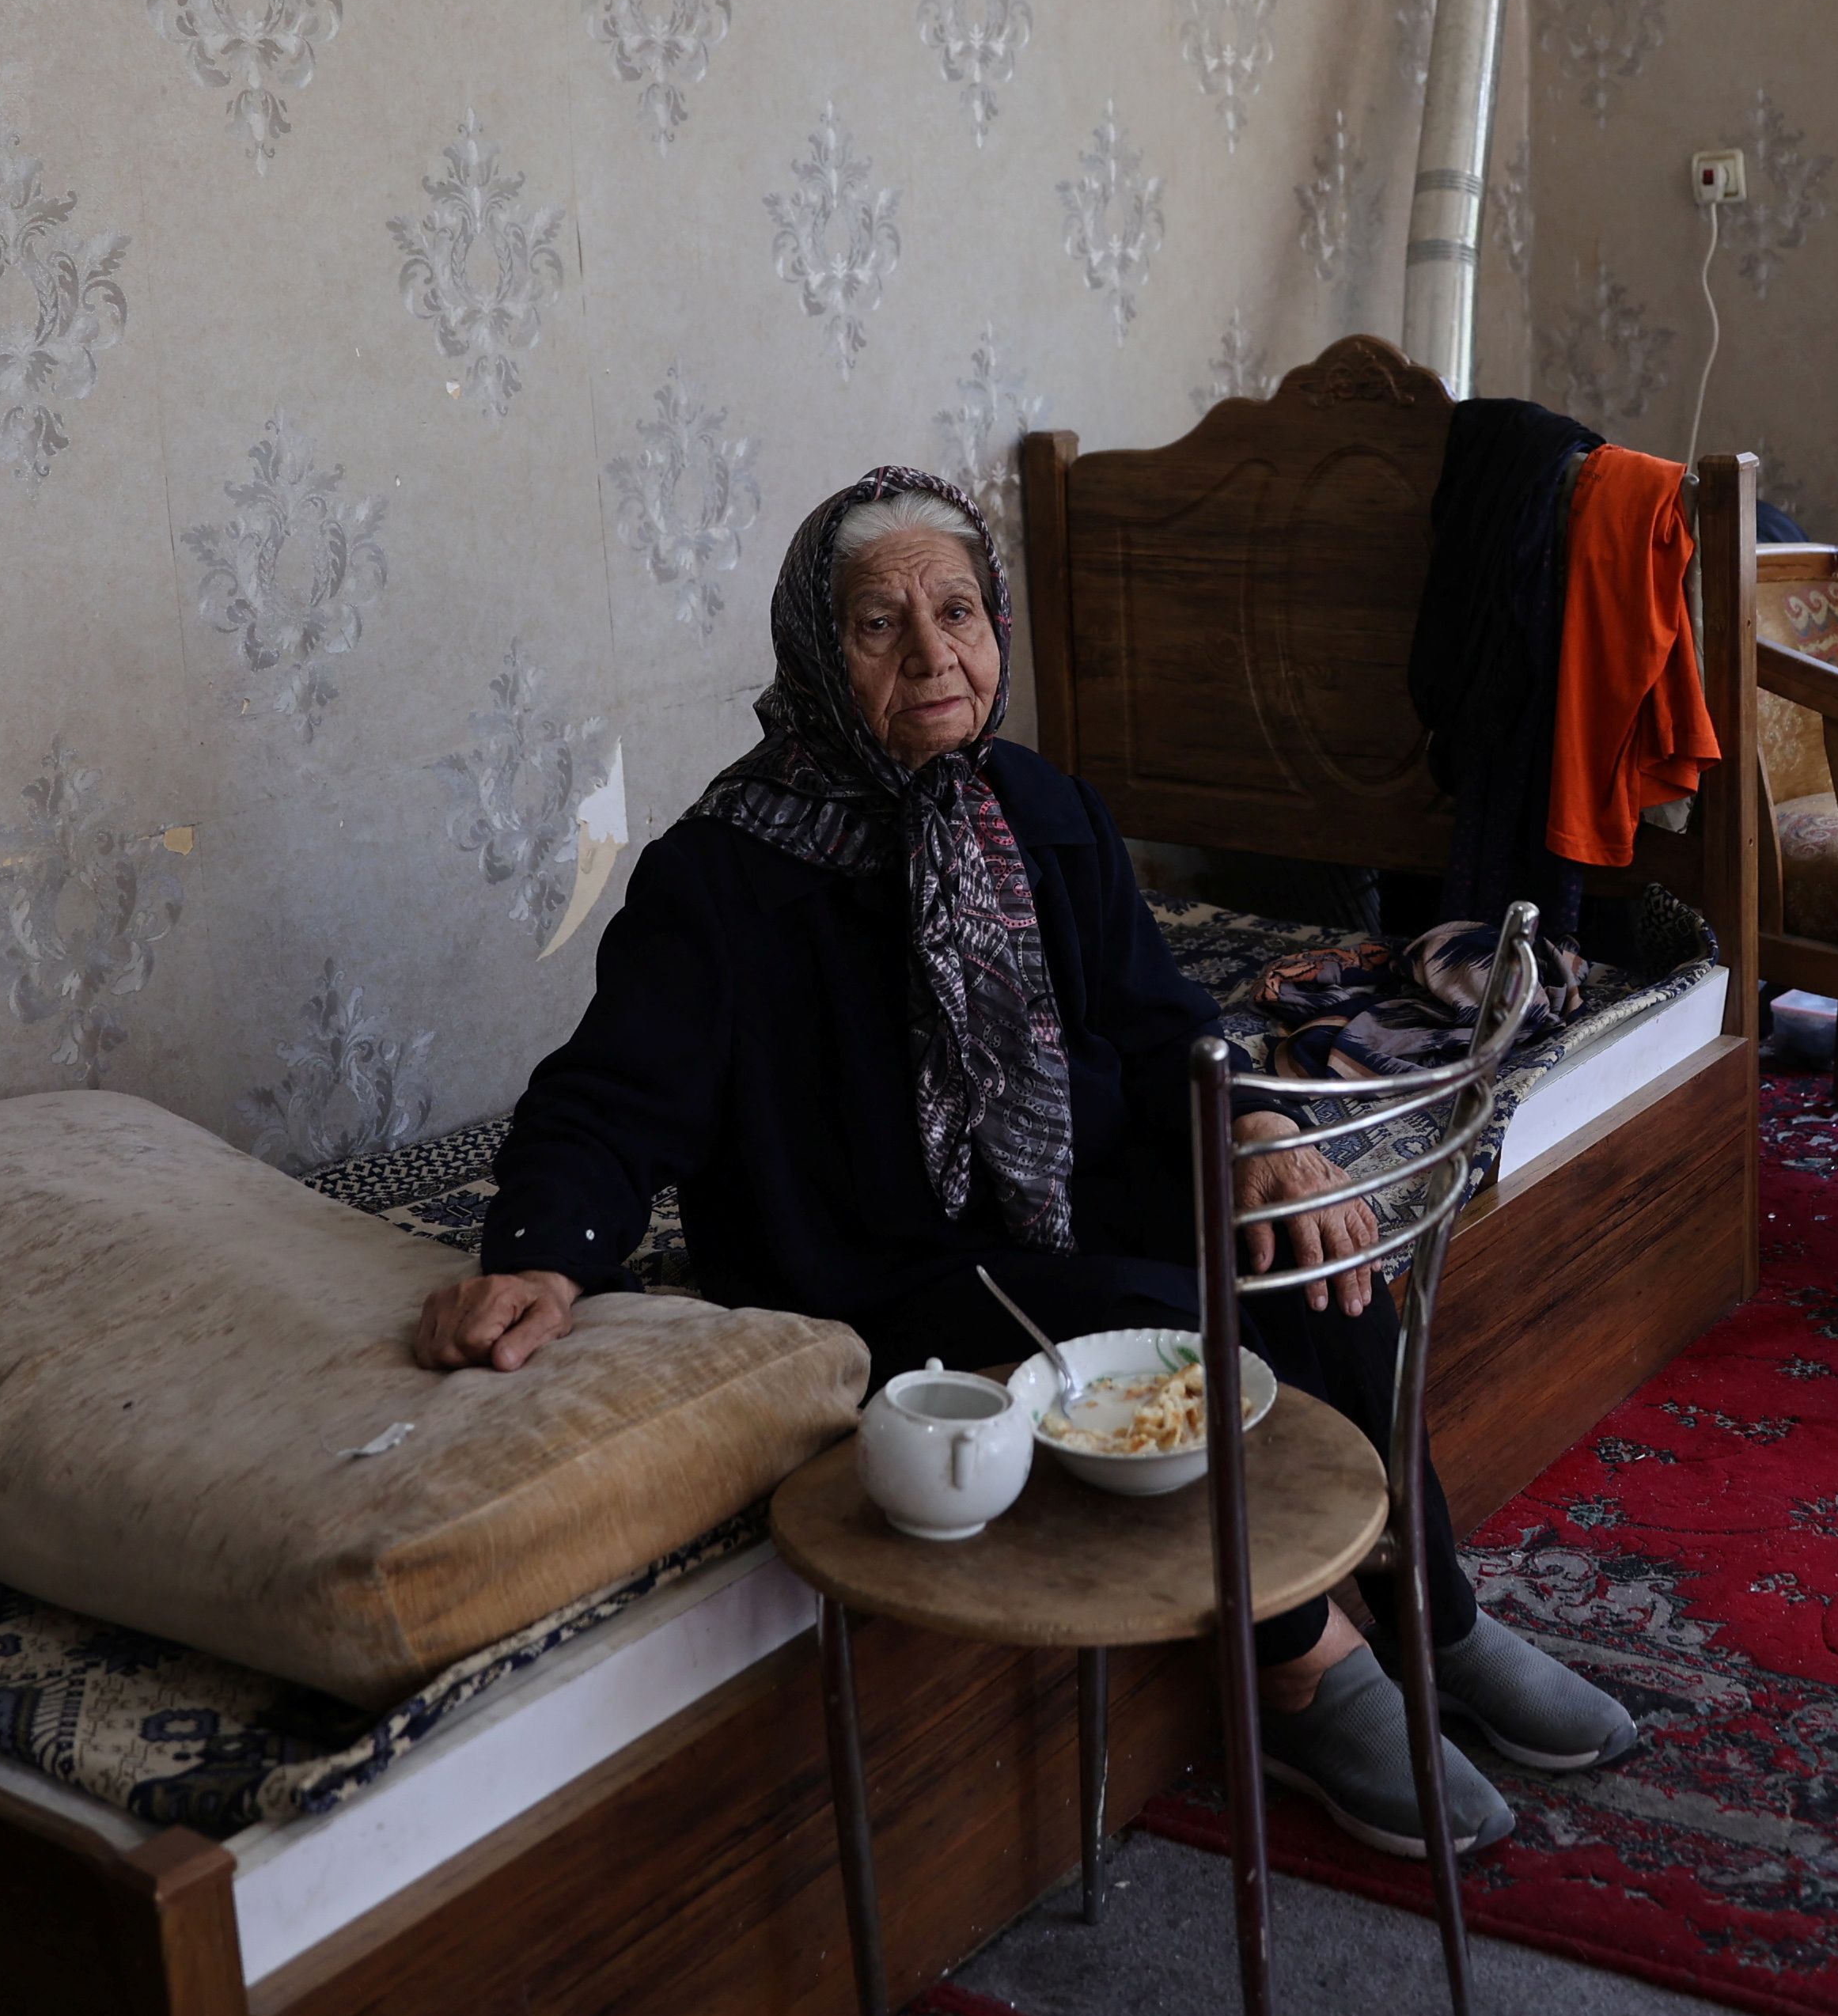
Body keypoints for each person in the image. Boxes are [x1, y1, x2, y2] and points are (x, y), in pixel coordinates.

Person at [412, 466, 1638, 1855]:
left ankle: (1433, 1614)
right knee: (1176, 1338)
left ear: (995, 625)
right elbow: (607, 1097)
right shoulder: (723, 875)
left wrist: (1251, 1129)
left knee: (1316, 1257)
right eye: (879, 624)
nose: (933, 654)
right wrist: (540, 1254)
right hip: (881, 1258)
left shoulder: (1037, 803)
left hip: (1068, 1194)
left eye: (957, 611)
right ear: (816, 652)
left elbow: (1158, 1023)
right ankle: (1297, 1666)